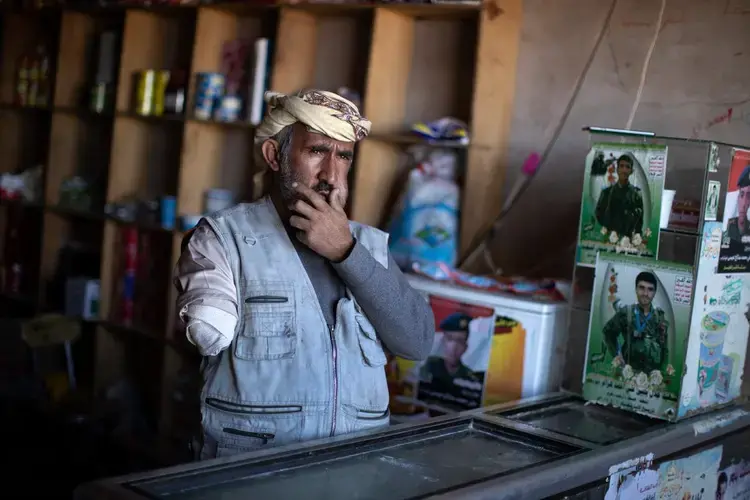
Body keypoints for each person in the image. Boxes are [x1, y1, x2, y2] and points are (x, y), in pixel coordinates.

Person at [173, 89, 435, 460]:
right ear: (274, 156)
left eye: (343, 156)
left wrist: (346, 252)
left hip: (353, 469)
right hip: (252, 471)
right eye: (316, 151)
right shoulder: (222, 238)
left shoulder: (367, 245)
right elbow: (207, 333)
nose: (331, 173)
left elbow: (418, 343)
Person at [602, 271, 670, 374]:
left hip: (651, 376)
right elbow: (608, 332)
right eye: (642, 288)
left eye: (650, 289)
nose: (645, 293)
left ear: (654, 292)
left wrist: (662, 371)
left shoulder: (659, 316)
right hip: (628, 372)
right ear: (636, 289)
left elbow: (664, 347)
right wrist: (617, 353)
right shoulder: (626, 312)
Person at [419, 312, 481, 396]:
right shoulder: (430, 365)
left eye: (460, 341)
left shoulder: (471, 377)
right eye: (449, 339)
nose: (453, 347)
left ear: (466, 347)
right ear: (443, 340)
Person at [595, 154, 645, 238]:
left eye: (627, 167)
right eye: (621, 166)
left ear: (631, 171)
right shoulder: (606, 193)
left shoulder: (636, 195)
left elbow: (639, 223)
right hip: (609, 238)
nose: (624, 170)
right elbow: (599, 215)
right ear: (617, 169)